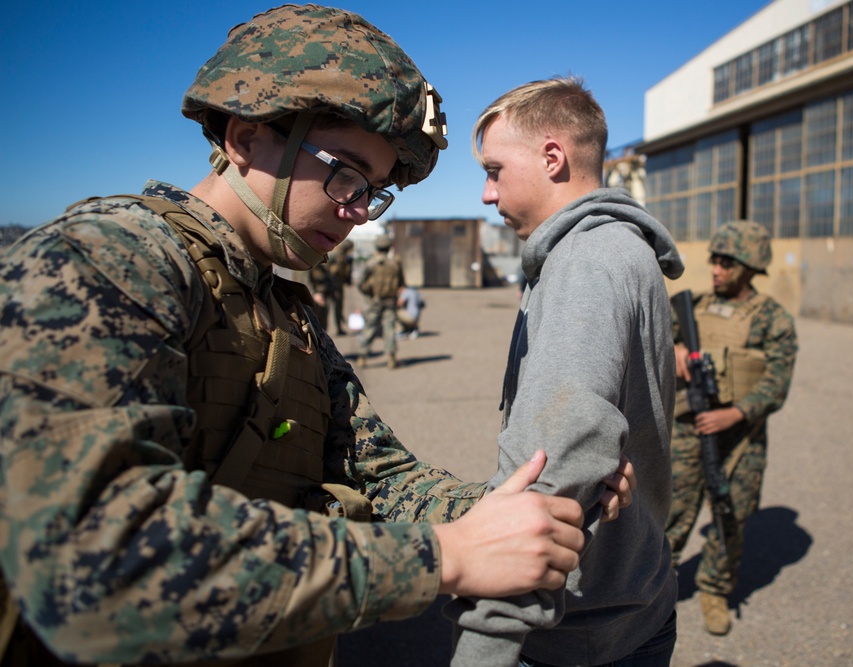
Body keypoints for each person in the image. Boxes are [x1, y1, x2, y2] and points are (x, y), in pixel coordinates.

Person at [0, 8, 638, 666]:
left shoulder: (286, 313)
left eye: (376, 191)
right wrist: (444, 557)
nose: (359, 210)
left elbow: (380, 476)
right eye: (347, 174)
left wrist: (521, 511)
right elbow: (94, 560)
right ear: (246, 138)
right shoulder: (110, 262)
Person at [445, 76, 685, 667]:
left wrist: (485, 645)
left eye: (495, 170)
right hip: (631, 602)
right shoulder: (618, 250)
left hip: (574, 631)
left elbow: (557, 459)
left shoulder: (587, 261)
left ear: (553, 157)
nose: (485, 192)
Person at [665, 220, 798, 636]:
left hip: (741, 436)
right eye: (715, 261)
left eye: (726, 263)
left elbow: (777, 381)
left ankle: (714, 590)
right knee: (670, 513)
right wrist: (676, 348)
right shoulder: (692, 306)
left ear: (749, 266)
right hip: (688, 428)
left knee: (730, 517)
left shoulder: (772, 319)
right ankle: (653, 590)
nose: (716, 269)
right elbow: (651, 339)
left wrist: (736, 413)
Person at [357, 234, 404, 368]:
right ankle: (391, 357)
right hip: (390, 300)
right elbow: (401, 282)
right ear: (389, 247)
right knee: (389, 328)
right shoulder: (395, 263)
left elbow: (360, 283)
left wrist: (369, 293)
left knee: (370, 327)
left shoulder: (371, 262)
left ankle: (362, 356)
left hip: (375, 300)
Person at [309, 238, 355, 335]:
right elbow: (326, 269)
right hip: (330, 284)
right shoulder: (335, 254)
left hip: (336, 284)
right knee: (323, 309)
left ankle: (337, 328)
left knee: (337, 308)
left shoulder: (344, 256)